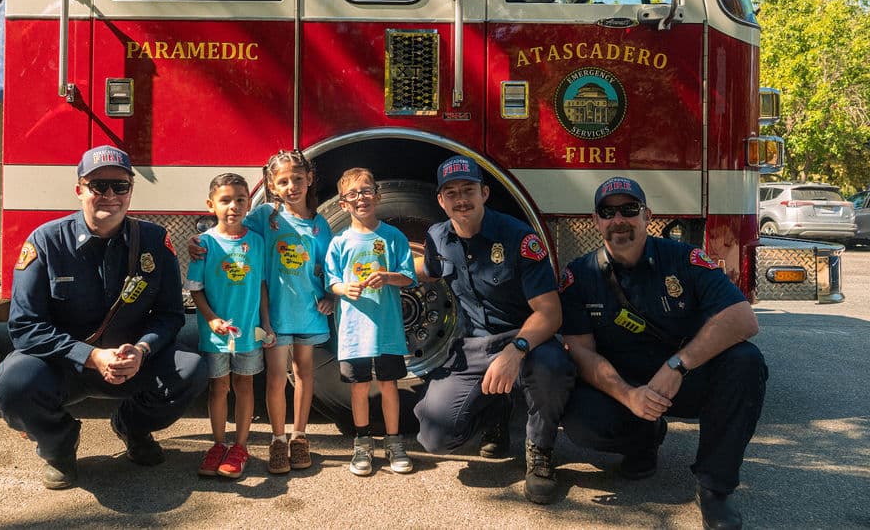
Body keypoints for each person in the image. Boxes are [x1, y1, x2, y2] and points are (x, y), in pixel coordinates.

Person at [0, 145, 206, 490]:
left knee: (191, 369)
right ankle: (59, 445)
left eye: (120, 186)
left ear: (130, 190)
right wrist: (90, 356)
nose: (110, 195)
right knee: (10, 385)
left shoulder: (153, 241)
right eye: (98, 185)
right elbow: (25, 326)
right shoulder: (46, 242)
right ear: (79, 190)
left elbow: (169, 315)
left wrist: (142, 350)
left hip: (130, 363)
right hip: (64, 365)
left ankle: (132, 426)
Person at [558, 176, 767, 530]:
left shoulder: (683, 258)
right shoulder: (580, 275)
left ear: (647, 216)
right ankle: (643, 441)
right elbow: (579, 350)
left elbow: (743, 319)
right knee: (581, 417)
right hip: (626, 387)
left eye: (629, 209)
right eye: (608, 212)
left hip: (681, 380)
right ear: (596, 221)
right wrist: (629, 396)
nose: (619, 220)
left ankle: (715, 488)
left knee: (745, 362)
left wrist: (678, 365)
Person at [414, 154, 575, 505]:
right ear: (440, 200)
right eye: (452, 193)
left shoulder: (518, 237)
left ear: (484, 193)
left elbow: (550, 314)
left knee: (552, 368)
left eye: (468, 190)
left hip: (527, 339)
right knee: (435, 437)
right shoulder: (437, 237)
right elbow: (427, 269)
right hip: (473, 347)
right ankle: (495, 413)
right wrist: (380, 270)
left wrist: (515, 351)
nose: (461, 199)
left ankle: (541, 452)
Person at [324, 168, 417, 476]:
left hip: (387, 330)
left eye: (366, 191)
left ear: (378, 196)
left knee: (389, 385)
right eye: (352, 194)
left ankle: (394, 442)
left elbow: (408, 277)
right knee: (359, 387)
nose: (360, 198)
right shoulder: (339, 242)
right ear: (342, 204)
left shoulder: (393, 237)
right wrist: (342, 289)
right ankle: (362, 443)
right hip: (353, 333)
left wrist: (388, 277)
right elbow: (331, 281)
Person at [248, 150, 334, 474]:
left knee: (303, 373)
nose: (291, 186)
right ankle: (277, 439)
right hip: (274, 317)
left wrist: (331, 296)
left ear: (309, 179)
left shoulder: (320, 225)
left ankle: (299, 437)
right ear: (272, 185)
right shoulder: (264, 217)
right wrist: (204, 244)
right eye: (283, 181)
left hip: (309, 314)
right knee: (275, 377)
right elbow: (233, 233)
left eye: (297, 179)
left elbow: (331, 267)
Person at [185, 173, 276, 479]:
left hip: (249, 333)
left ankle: (240, 446)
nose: (233, 206)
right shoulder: (204, 244)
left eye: (240, 200)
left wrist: (266, 324)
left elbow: (261, 285)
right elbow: (195, 288)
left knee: (245, 385)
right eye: (225, 200)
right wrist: (211, 318)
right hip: (215, 335)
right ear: (211, 205)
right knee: (219, 387)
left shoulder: (257, 242)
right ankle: (218, 444)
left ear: (249, 204)